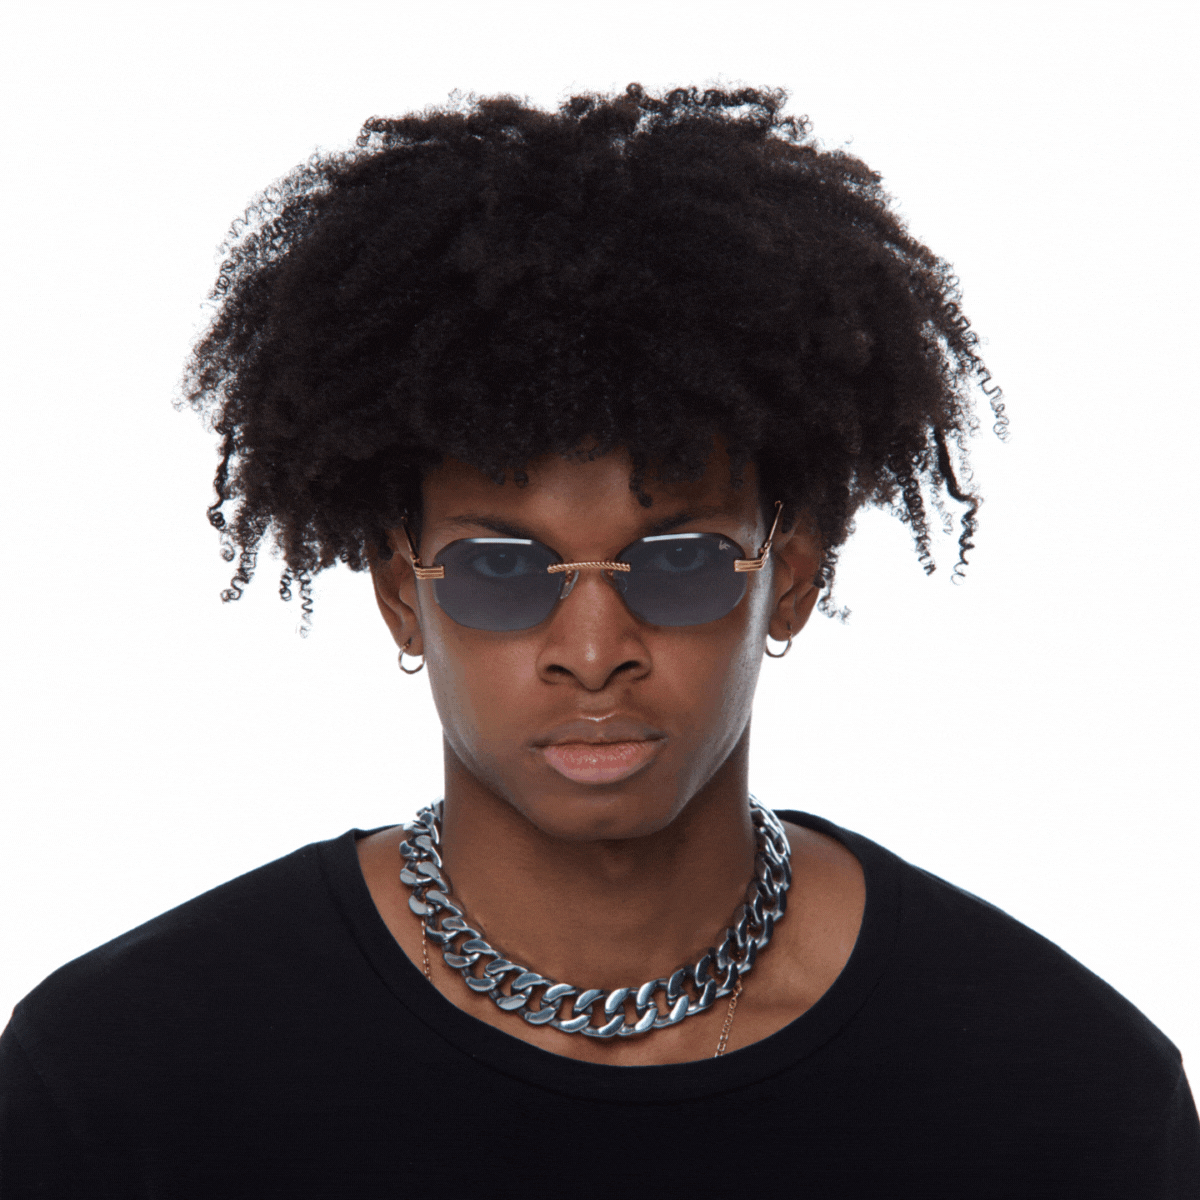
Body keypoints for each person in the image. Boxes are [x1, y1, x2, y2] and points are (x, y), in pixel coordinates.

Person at [0, 84, 1195, 1197]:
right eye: (500, 571)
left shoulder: (1062, 1092)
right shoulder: (122, 1079)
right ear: (401, 595)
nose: (591, 648)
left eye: (676, 562)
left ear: (788, 579)